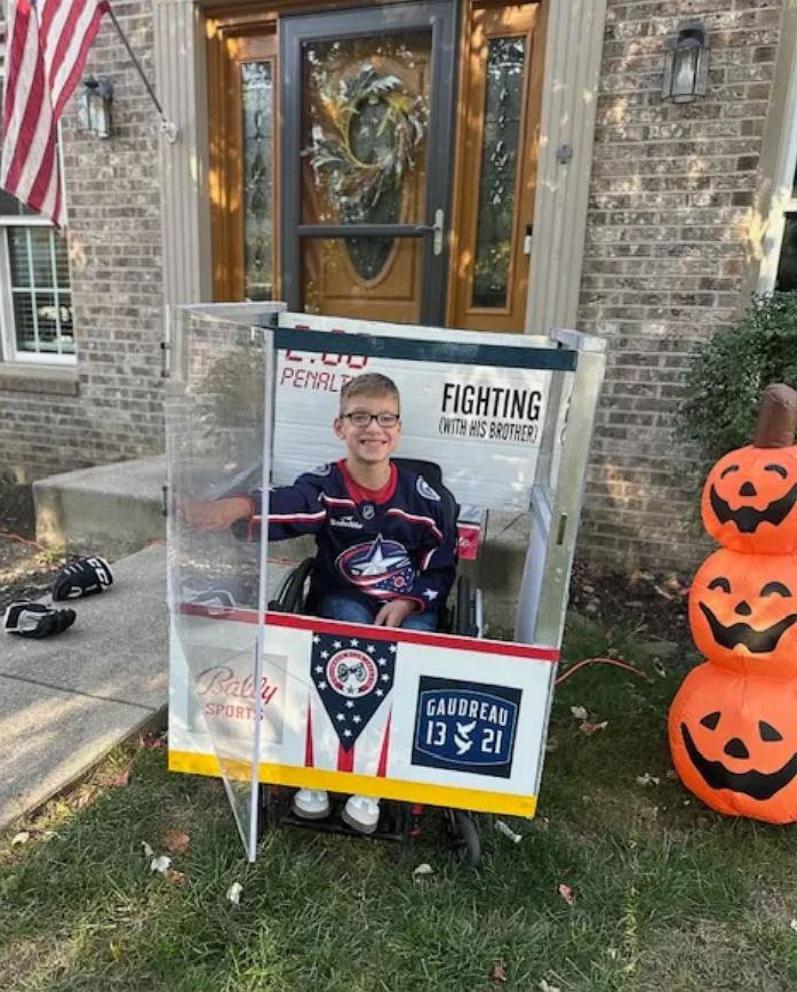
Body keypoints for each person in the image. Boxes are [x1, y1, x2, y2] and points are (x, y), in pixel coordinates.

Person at [179, 372, 458, 833]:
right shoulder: (327, 484)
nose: (374, 428)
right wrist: (233, 508)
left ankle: (372, 780)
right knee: (344, 639)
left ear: (399, 428)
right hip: (346, 596)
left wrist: (408, 603)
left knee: (412, 652)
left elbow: (441, 564)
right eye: (361, 417)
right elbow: (290, 503)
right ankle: (320, 772)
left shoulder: (423, 498)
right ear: (340, 427)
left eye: (386, 418)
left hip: (409, 605)